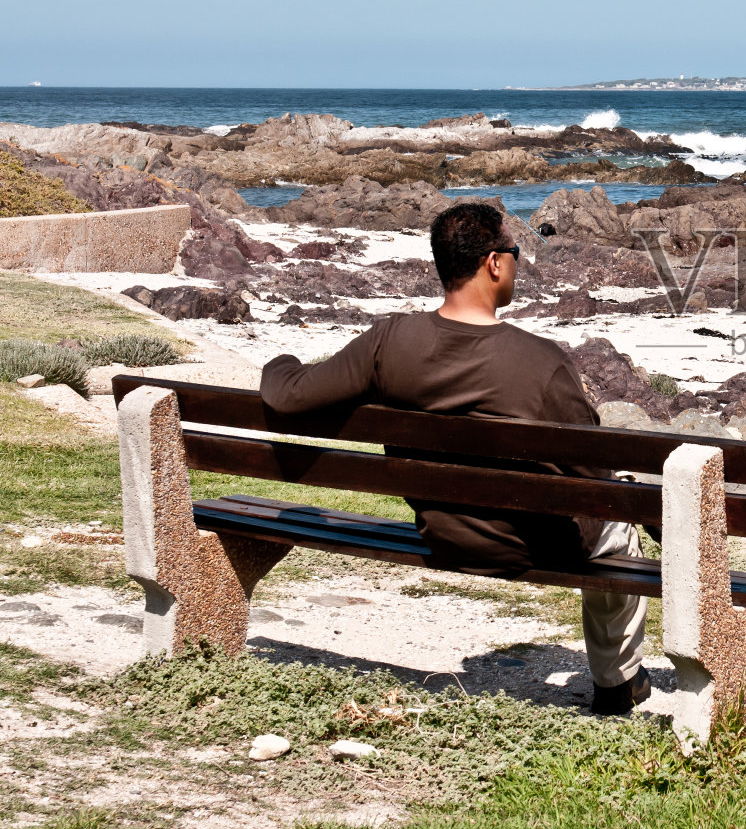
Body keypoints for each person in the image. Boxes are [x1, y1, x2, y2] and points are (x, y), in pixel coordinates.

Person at [259, 202, 650, 715]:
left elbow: (288, 396)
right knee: (619, 520)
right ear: (494, 263)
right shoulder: (542, 363)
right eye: (515, 252)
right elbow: (593, 477)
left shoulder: (389, 341)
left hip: (442, 532)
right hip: (530, 546)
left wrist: (281, 360)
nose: (517, 262)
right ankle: (617, 682)